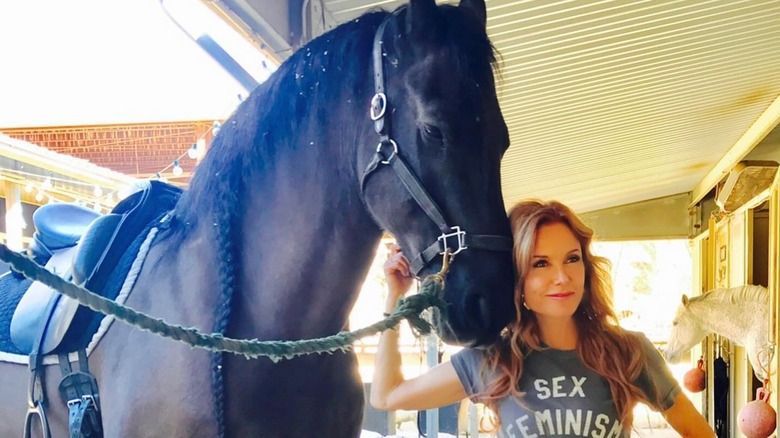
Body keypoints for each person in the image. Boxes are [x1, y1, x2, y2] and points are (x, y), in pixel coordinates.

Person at [370, 199, 715, 437]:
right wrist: (394, 296)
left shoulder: (628, 352)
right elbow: (387, 396)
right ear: (517, 278)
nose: (562, 276)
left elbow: (697, 432)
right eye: (540, 263)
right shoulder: (494, 360)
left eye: (571, 259)